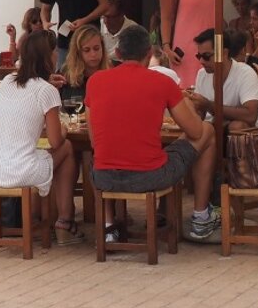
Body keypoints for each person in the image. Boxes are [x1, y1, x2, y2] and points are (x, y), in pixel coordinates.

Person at [86, 25, 219, 242]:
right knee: (208, 130)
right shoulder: (163, 82)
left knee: (99, 157)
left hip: (104, 178)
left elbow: (93, 140)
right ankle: (201, 216)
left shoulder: (95, 82)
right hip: (150, 176)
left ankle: (109, 227)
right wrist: (187, 102)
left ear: (118, 54)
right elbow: (195, 131)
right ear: (149, 53)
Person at [0, 30, 84, 245]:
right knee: (68, 148)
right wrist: (63, 129)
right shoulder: (47, 91)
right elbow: (55, 141)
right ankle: (64, 220)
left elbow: (26, 92)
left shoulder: (7, 81)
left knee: (41, 154)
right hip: (19, 171)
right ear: (49, 56)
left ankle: (43, 217)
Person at [189, 29, 258, 131]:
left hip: (253, 136)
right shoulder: (202, 74)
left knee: (237, 126)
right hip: (215, 131)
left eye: (206, 56)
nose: (201, 61)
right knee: (203, 128)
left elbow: (251, 116)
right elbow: (199, 116)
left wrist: (209, 105)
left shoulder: (245, 73)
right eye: (199, 56)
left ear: (224, 53)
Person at [60, 24, 110, 102]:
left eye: (96, 49)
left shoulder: (112, 71)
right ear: (77, 52)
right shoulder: (65, 75)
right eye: (86, 50)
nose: (93, 54)